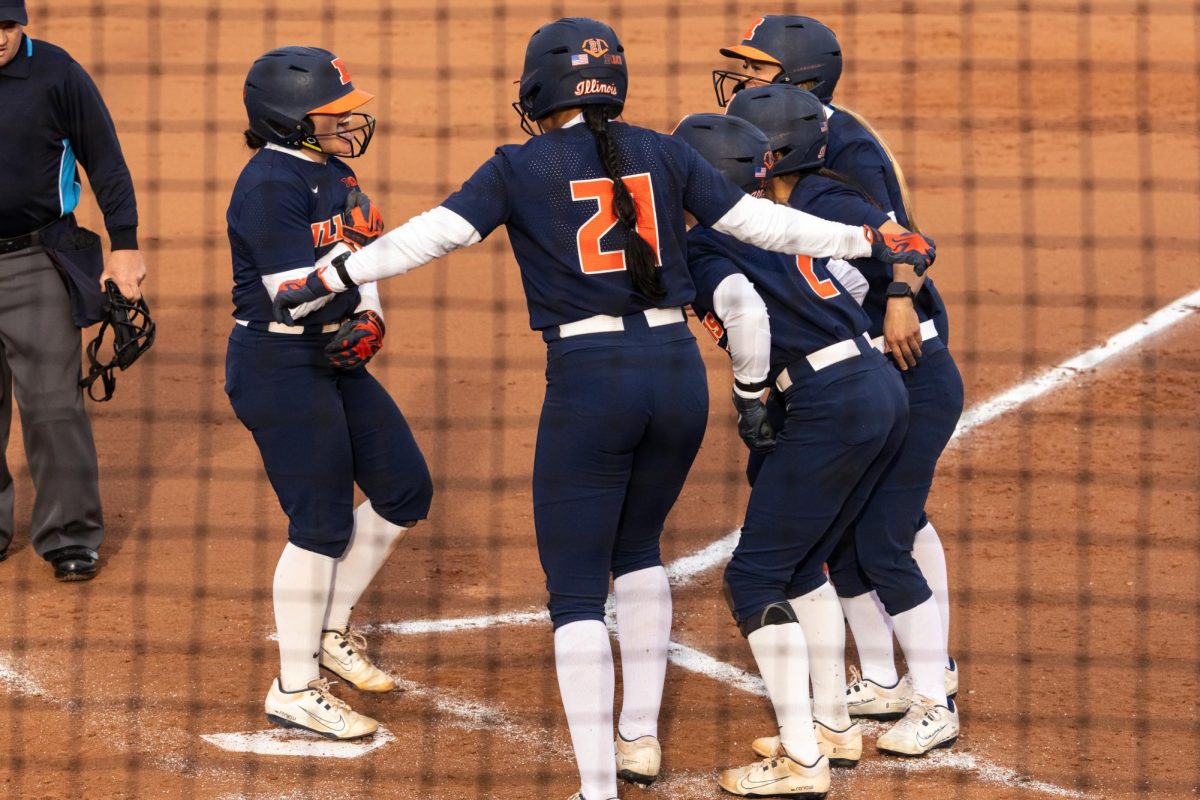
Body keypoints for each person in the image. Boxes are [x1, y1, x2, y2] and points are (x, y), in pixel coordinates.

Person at [272, 18, 933, 799]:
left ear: (540, 88)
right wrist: (871, 240)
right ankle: (638, 738)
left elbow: (432, 237)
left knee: (578, 593)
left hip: (591, 384)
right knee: (640, 550)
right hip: (677, 380)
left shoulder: (520, 165)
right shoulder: (664, 150)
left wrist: (330, 277)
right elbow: (764, 225)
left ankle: (597, 791)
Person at [716, 13, 962, 723]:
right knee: (852, 535)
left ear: (799, 80)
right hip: (854, 359)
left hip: (901, 353)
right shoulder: (772, 163)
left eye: (757, 68)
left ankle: (935, 682)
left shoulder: (843, 152)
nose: (742, 78)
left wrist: (899, 299)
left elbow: (903, 240)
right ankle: (882, 677)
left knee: (888, 531)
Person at [674, 111, 913, 796]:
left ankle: (803, 761)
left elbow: (745, 312)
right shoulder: (779, 222)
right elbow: (852, 282)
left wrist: (751, 394)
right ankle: (833, 727)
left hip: (828, 402)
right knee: (807, 564)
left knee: (753, 578)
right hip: (875, 384)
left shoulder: (706, 241)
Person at [225, 46, 433, 741]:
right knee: (320, 525)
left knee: (404, 489)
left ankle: (329, 630)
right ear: (289, 119)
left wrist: (372, 314)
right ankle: (294, 688)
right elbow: (289, 293)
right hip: (277, 363)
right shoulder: (267, 186)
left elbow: (357, 263)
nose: (348, 122)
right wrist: (356, 266)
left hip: (331, 355)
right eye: (333, 113)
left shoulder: (335, 172)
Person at [0, 0, 148, 581]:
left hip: (34, 259)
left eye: (7, 26)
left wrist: (125, 243)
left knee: (53, 407)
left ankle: (69, 536)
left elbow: (105, 160)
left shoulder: (56, 72)